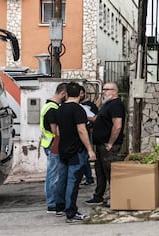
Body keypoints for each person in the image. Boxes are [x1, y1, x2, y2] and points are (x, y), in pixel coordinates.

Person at [55, 82, 96, 223]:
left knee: (63, 178)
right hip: (76, 150)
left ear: (66, 93)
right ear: (80, 93)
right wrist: (90, 149)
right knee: (73, 181)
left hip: (63, 149)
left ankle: (59, 207)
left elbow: (58, 131)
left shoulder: (60, 109)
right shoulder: (78, 110)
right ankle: (71, 212)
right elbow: (82, 130)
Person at [86, 82, 126, 207]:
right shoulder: (107, 105)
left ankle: (114, 198)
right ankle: (99, 196)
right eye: (103, 89)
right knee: (100, 172)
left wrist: (110, 143)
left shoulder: (116, 105)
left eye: (107, 89)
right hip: (100, 144)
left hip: (108, 145)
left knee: (110, 172)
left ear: (114, 92)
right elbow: (99, 119)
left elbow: (117, 125)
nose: (103, 92)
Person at [39, 82, 67, 214]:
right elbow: (55, 131)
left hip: (48, 143)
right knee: (54, 175)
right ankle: (52, 204)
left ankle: (53, 202)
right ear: (63, 94)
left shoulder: (47, 105)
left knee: (53, 173)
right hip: (53, 144)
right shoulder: (53, 109)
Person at [79, 85, 99, 186]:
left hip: (88, 132)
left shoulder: (89, 105)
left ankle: (88, 177)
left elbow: (96, 118)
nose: (80, 95)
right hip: (81, 133)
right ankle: (87, 177)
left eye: (82, 93)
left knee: (85, 156)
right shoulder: (77, 105)